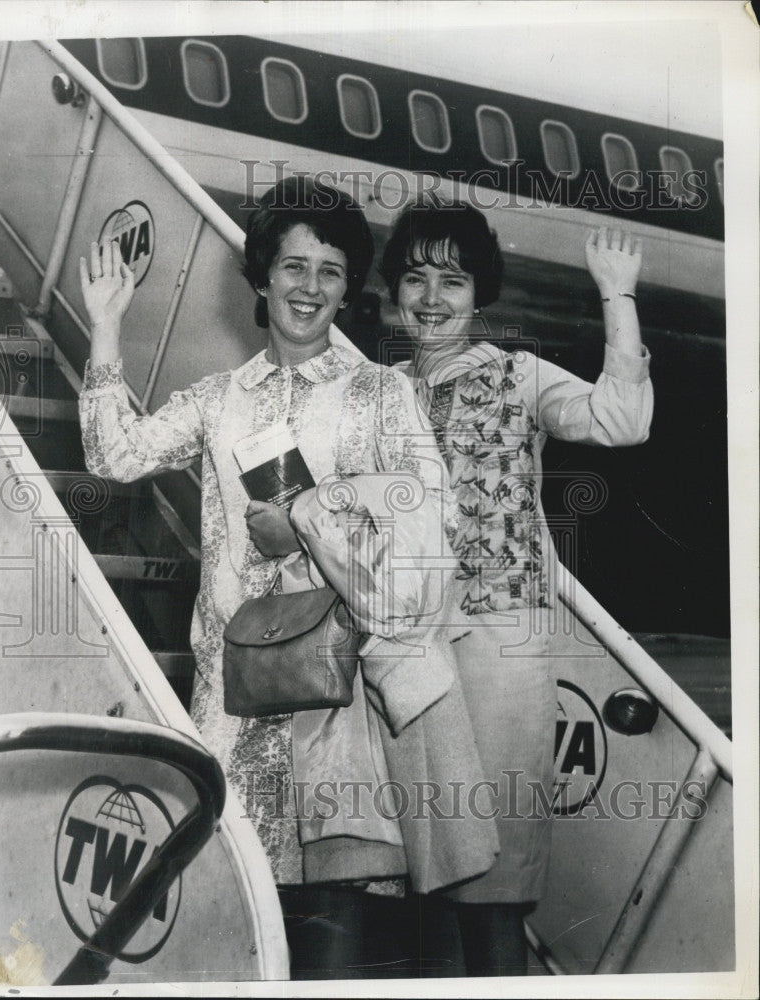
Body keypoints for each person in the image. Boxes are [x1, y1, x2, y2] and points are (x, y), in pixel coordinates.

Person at [77, 177, 457, 978]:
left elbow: (430, 506)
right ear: (261, 278)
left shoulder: (382, 393)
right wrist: (108, 327)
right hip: (230, 697)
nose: (308, 287)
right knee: (230, 920)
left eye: (327, 269)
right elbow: (116, 456)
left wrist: (316, 508)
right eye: (292, 266)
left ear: (348, 287)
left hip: (341, 700)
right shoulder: (218, 400)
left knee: (335, 930)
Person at [379, 200, 653, 976]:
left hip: (500, 644)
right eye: (415, 278)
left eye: (453, 281)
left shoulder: (517, 373)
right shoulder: (375, 391)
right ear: (394, 291)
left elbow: (621, 420)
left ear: (479, 293)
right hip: (402, 649)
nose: (432, 298)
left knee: (495, 879)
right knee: (420, 875)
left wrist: (615, 294)